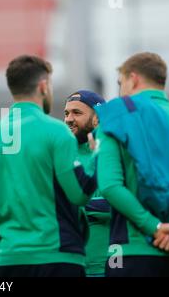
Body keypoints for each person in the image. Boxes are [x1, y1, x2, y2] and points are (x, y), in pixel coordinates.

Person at [0, 55, 97, 277]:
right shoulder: (56, 131)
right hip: (58, 257)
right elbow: (79, 194)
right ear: (43, 86)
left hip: (10, 259)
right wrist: (99, 154)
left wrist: (16, 238)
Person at [95, 52, 169, 276]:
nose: (121, 90)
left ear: (133, 78)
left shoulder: (115, 117)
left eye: (120, 83)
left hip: (135, 251)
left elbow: (110, 185)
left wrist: (154, 228)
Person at [64, 90, 109, 277]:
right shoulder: (61, 155)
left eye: (77, 113)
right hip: (68, 265)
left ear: (98, 118)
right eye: (66, 113)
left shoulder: (114, 153)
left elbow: (118, 204)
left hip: (108, 265)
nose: (68, 119)